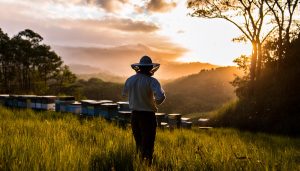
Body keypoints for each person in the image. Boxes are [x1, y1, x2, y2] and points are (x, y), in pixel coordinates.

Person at [122, 55, 166, 164]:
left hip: (134, 116)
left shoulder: (130, 80)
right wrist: (154, 102)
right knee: (148, 145)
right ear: (150, 67)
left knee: (139, 144)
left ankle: (139, 165)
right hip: (148, 117)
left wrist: (135, 97)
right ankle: (147, 166)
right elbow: (160, 97)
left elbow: (123, 94)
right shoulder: (152, 81)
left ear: (139, 67)